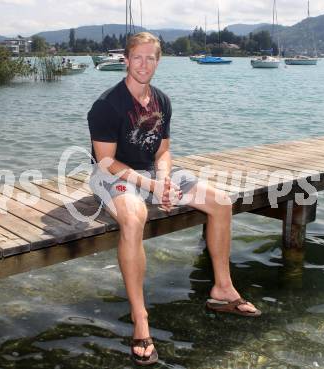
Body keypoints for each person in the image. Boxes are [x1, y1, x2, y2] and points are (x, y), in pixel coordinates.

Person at [87, 32, 260, 366]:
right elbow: (106, 161)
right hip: (112, 174)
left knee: (221, 202)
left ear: (158, 61)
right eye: (137, 57)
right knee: (134, 217)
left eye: (150, 58)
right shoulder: (107, 105)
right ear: (125, 59)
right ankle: (140, 318)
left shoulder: (162, 101)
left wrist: (164, 180)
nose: (143, 64)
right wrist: (151, 188)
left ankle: (222, 289)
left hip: (153, 171)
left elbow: (163, 151)